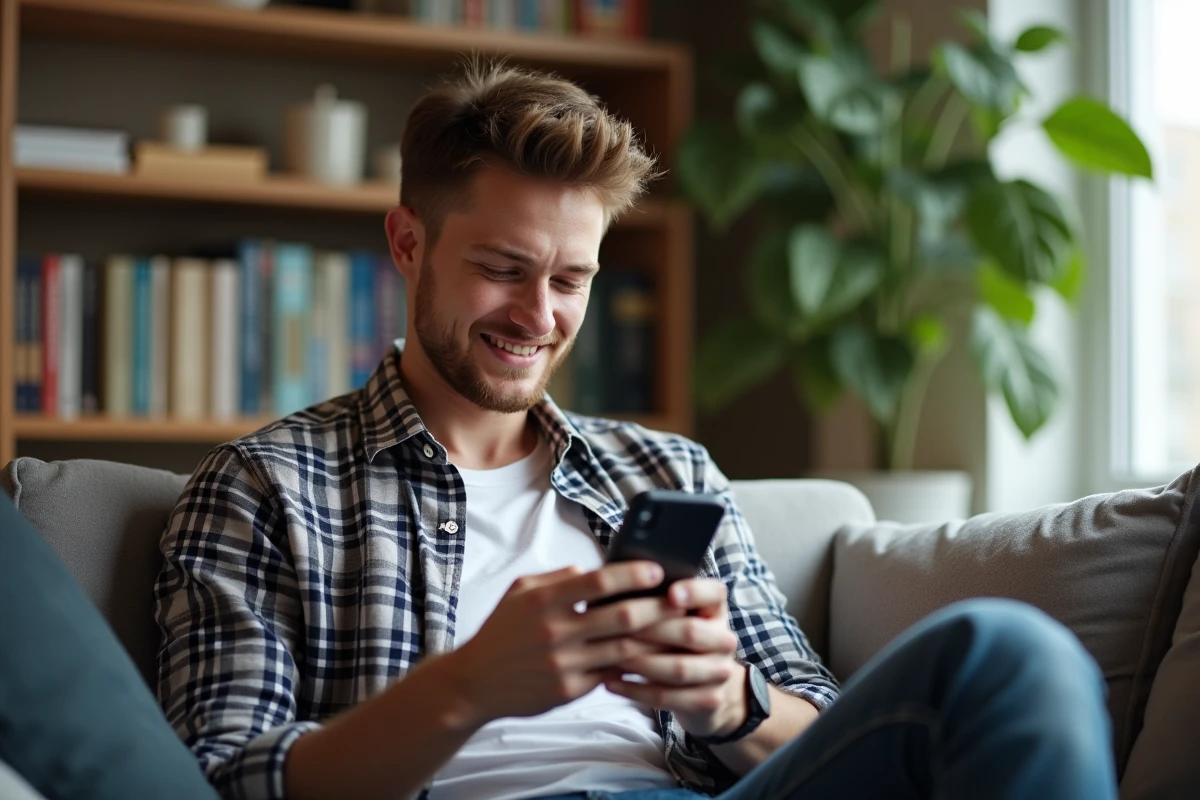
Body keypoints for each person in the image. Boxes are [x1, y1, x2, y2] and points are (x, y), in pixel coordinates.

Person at [154, 60, 1118, 800]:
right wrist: (468, 689)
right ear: (408, 244)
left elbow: (823, 728)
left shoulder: (664, 469)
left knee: (1009, 651)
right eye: (503, 267)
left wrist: (725, 702)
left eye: (570, 280)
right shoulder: (263, 485)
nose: (540, 315)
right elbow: (227, 774)